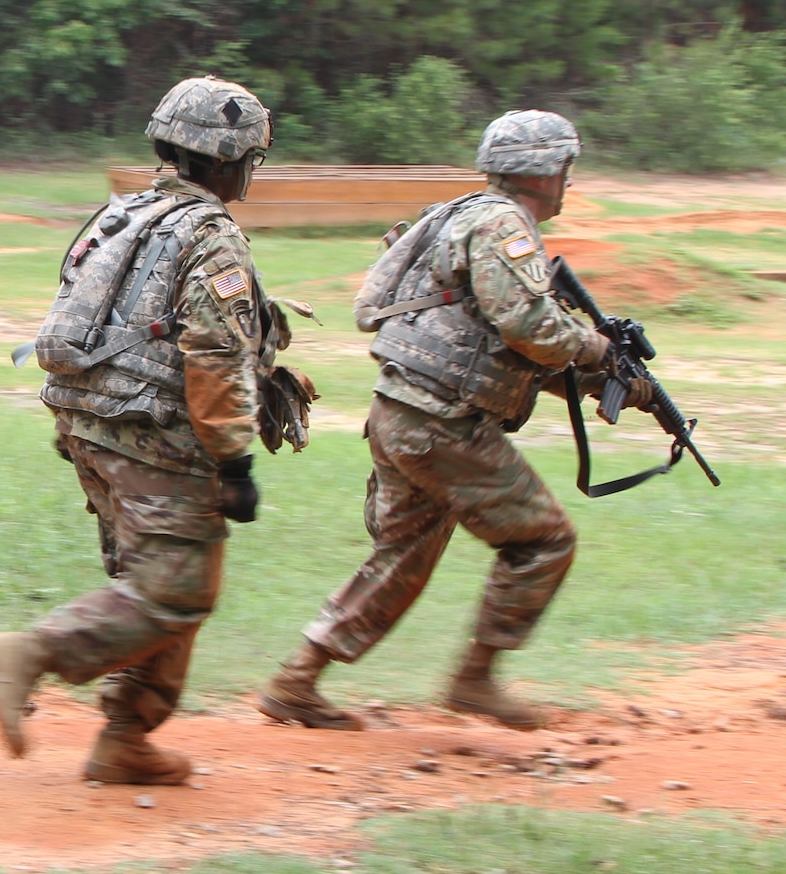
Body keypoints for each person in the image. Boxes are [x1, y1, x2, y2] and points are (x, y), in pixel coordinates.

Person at [254, 110, 641, 733]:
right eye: (564, 166)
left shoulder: (463, 214)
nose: (569, 179)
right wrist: (596, 349)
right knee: (544, 540)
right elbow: (528, 326)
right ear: (540, 170)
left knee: (403, 556)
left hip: (401, 410)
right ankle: (475, 680)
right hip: (441, 424)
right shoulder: (504, 225)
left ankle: (296, 681)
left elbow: (499, 339)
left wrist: (613, 381)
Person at [0, 76, 278, 785]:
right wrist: (235, 461)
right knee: (175, 591)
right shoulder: (211, 234)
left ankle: (125, 740)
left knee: (161, 580)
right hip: (152, 433)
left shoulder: (124, 213)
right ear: (228, 159)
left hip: (86, 423)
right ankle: (32, 654)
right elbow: (215, 353)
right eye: (249, 159)